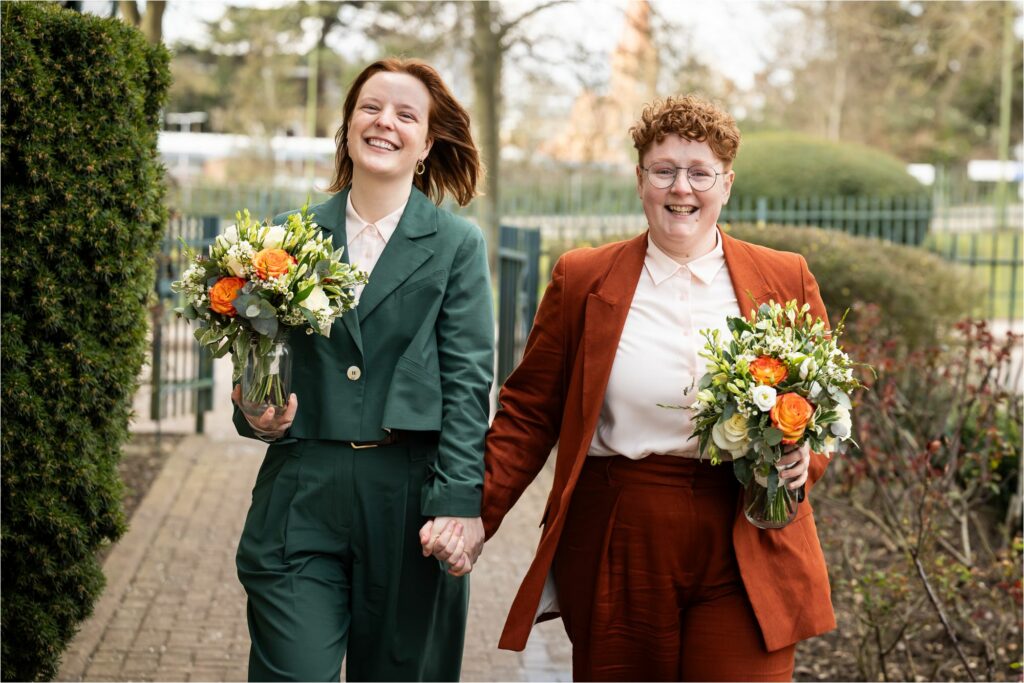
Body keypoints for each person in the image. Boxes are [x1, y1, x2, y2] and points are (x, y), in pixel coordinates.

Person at [477, 95, 836, 681]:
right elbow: (529, 411)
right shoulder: (583, 277)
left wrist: (804, 458)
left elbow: (822, 405)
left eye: (700, 172)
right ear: (640, 179)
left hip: (747, 526)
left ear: (727, 184)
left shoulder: (784, 276)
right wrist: (472, 515)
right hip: (622, 531)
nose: (681, 188)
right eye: (664, 170)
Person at [230, 57, 492, 682]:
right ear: (347, 126)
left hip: (409, 502)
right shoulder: (288, 237)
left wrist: (458, 503)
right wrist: (255, 412)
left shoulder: (457, 246)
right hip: (302, 489)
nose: (385, 122)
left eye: (407, 114)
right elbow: (260, 365)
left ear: (428, 143)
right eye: (370, 107)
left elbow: (467, 384)